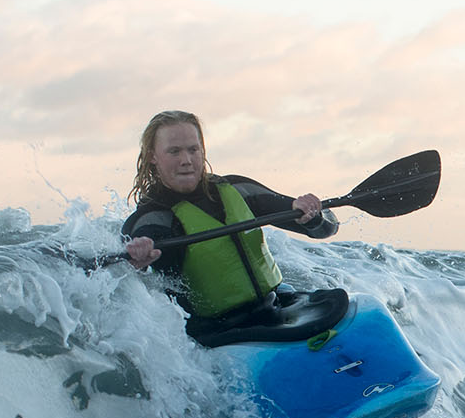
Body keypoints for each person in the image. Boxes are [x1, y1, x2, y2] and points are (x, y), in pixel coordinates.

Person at [121, 110, 338, 323]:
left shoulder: (237, 189)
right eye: (174, 151)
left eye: (193, 149)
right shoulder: (152, 218)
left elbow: (326, 229)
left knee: (341, 301)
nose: (186, 160)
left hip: (275, 305)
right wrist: (139, 256)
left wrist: (311, 215)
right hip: (217, 332)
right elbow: (134, 264)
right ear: (152, 157)